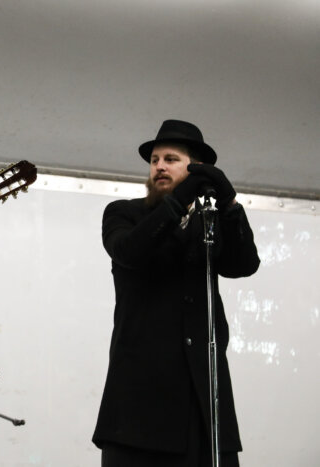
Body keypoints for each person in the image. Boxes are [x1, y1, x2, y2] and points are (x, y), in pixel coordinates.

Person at [92, 120, 260, 466]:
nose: (159, 167)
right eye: (154, 160)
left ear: (195, 167)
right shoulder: (125, 214)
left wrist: (229, 206)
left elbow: (243, 264)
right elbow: (130, 252)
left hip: (204, 408)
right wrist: (181, 197)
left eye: (171, 159)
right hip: (138, 413)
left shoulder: (209, 223)